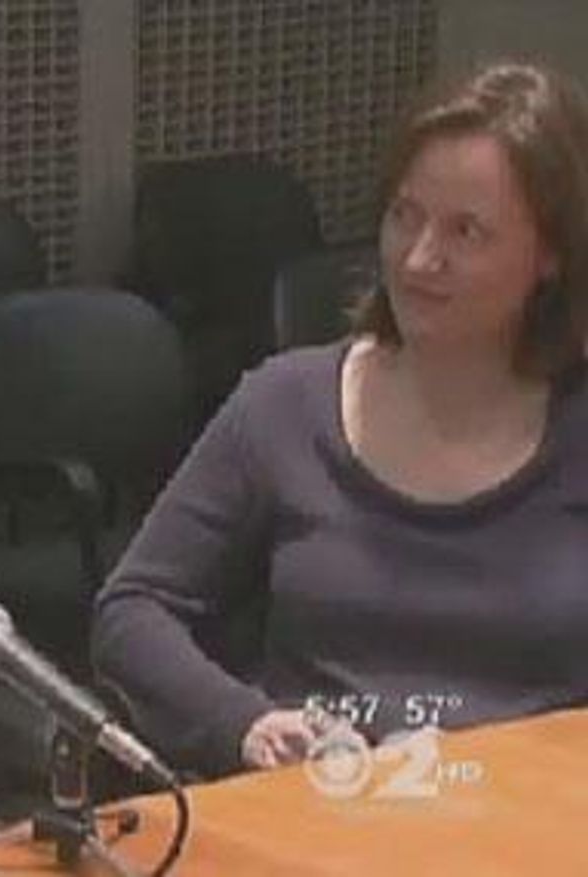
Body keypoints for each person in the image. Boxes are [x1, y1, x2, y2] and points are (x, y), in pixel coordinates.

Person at [93, 61, 588, 779]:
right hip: (323, 801)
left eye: (466, 232)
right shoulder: (285, 405)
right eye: (405, 216)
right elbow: (133, 610)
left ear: (550, 255)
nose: (420, 258)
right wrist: (243, 723)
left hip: (536, 810)